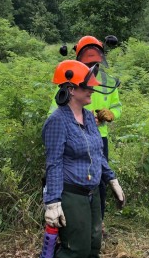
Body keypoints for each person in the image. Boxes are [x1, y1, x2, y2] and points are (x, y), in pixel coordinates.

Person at [29, 60, 125, 258]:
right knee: (76, 249)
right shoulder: (57, 121)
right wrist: (53, 201)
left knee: (93, 246)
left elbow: (97, 152)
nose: (92, 92)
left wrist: (111, 179)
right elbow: (54, 163)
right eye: (87, 88)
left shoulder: (89, 118)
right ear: (71, 89)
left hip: (92, 192)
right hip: (71, 192)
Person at [52, 35, 122, 222]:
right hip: (74, 139)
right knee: (76, 181)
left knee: (99, 180)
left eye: (95, 63)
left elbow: (118, 106)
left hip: (100, 138)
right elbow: (54, 110)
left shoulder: (108, 81)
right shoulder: (70, 80)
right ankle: (74, 221)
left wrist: (111, 114)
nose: (92, 67)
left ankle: (97, 222)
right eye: (88, 63)